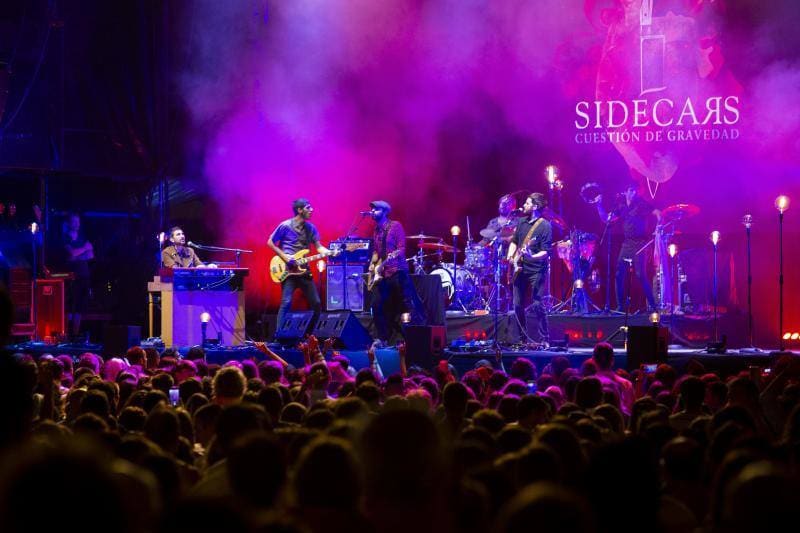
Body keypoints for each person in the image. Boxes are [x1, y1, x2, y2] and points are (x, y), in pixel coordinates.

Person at [367, 200, 426, 346]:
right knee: (376, 304)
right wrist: (372, 265)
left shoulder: (395, 226)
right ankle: (383, 339)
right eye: (372, 209)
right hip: (384, 274)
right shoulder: (376, 230)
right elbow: (376, 251)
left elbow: (401, 249)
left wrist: (386, 262)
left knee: (406, 306)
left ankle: (412, 341)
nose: (372, 212)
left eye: (376, 209)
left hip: (397, 271)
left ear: (385, 212)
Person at [268, 198, 329, 333]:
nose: (311, 210)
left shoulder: (311, 228)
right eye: (308, 207)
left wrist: (330, 252)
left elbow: (319, 247)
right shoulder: (285, 225)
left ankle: (309, 335)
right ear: (299, 210)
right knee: (286, 303)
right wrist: (285, 257)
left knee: (317, 304)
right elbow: (270, 242)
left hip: (304, 271)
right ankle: (279, 336)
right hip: (288, 271)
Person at [596, 182, 659, 312]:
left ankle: (653, 306)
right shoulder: (621, 207)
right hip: (627, 244)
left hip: (639, 244)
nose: (634, 193)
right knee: (619, 274)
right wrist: (598, 205)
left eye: (635, 190)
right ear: (625, 192)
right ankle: (621, 306)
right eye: (631, 190)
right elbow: (606, 219)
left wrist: (659, 226)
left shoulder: (641, 204)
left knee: (641, 275)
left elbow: (657, 212)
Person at [507, 193, 552, 348]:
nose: (523, 205)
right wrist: (511, 256)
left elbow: (545, 251)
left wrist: (532, 257)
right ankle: (522, 338)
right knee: (517, 304)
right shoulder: (521, 222)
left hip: (537, 269)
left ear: (535, 206)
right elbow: (514, 241)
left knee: (538, 303)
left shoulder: (545, 225)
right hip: (520, 268)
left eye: (527, 203)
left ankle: (544, 339)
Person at [63, 213, 93, 337]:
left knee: (80, 306)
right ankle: (66, 333)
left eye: (78, 221)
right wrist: (83, 250)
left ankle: (75, 334)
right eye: (74, 221)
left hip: (84, 274)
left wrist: (79, 253)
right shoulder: (65, 237)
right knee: (71, 305)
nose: (77, 224)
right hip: (72, 275)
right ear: (69, 223)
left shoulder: (82, 237)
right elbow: (72, 254)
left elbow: (91, 255)